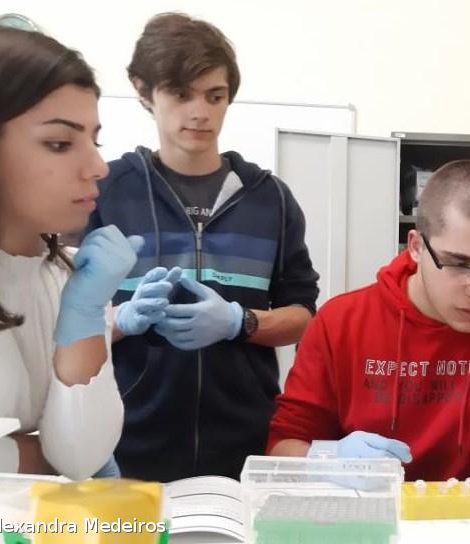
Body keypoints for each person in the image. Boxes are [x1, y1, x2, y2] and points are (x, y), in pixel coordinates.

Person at [87, 13, 319, 482]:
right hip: (123, 445)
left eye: (215, 96)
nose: (201, 112)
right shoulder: (105, 192)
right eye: (180, 94)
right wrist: (121, 321)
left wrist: (240, 321)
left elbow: (303, 316)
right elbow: (61, 321)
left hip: (245, 448)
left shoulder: (270, 199)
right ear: (142, 90)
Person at [268, 160, 470, 481]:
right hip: (365, 511)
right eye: (458, 264)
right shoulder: (340, 322)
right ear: (416, 247)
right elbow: (282, 446)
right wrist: (330, 459)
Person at [0, 23, 141, 480]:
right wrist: (35, 457)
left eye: (94, 140)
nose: (97, 167)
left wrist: (83, 313)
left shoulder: (68, 277)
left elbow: (80, 460)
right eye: (59, 144)